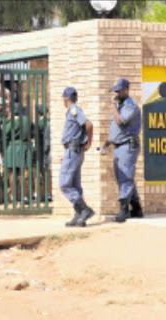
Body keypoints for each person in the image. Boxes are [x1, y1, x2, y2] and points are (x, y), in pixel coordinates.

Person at [108, 78, 143, 223]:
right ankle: (136, 208)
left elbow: (120, 121)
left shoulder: (130, 106)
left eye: (118, 91)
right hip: (118, 145)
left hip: (128, 146)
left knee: (126, 177)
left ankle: (124, 210)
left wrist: (112, 107)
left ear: (125, 90)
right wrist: (107, 143)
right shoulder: (120, 105)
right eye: (114, 91)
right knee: (122, 176)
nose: (115, 93)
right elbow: (116, 129)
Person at [59, 87, 94, 227]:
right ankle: (79, 216)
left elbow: (89, 124)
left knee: (64, 184)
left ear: (66, 98)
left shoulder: (74, 110)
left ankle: (85, 210)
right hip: (73, 151)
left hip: (73, 150)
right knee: (75, 185)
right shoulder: (72, 111)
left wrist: (89, 142)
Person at [3, 102, 32, 204]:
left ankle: (14, 196)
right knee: (23, 174)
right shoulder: (27, 120)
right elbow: (32, 132)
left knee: (13, 174)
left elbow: (5, 136)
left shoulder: (10, 122)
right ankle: (24, 197)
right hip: (25, 147)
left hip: (13, 148)